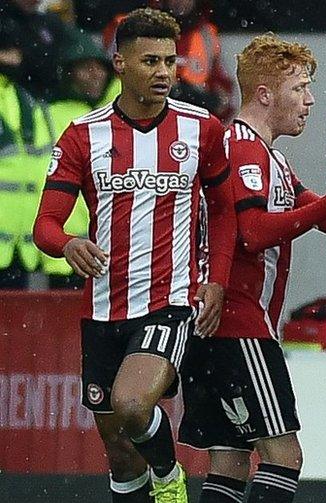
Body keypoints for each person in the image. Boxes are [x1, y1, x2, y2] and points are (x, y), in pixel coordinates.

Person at [32, 8, 235, 503]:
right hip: (104, 308)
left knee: (131, 403)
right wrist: (68, 243)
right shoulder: (83, 135)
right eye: (150, 61)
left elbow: (222, 211)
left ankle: (170, 474)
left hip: (169, 301)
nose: (164, 71)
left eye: (170, 60)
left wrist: (214, 278)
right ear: (120, 63)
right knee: (119, 451)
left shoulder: (201, 129)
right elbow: (45, 224)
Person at [177, 33, 326, 503]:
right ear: (267, 93)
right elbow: (252, 232)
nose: (311, 100)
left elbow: (323, 217)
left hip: (225, 326)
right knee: (284, 456)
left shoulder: (268, 156)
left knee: (227, 461)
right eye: (302, 88)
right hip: (239, 324)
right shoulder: (242, 147)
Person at [41, 27, 120, 289]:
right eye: (85, 68)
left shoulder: (116, 114)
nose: (95, 75)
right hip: (68, 243)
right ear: (69, 73)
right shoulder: (51, 114)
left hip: (112, 246)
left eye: (99, 67)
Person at [103, 1, 235, 120]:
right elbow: (101, 78)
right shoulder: (128, 27)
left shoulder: (207, 35)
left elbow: (224, 97)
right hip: (132, 117)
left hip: (188, 123)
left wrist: (205, 100)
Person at [0, 69, 52, 289]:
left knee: (14, 317)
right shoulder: (26, 100)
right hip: (15, 242)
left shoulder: (27, 101)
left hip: (19, 245)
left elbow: (38, 170)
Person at [0, 0, 75, 102]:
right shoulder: (6, 22)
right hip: (9, 97)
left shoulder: (47, 23)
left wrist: (25, 58)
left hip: (46, 100)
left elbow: (63, 59)